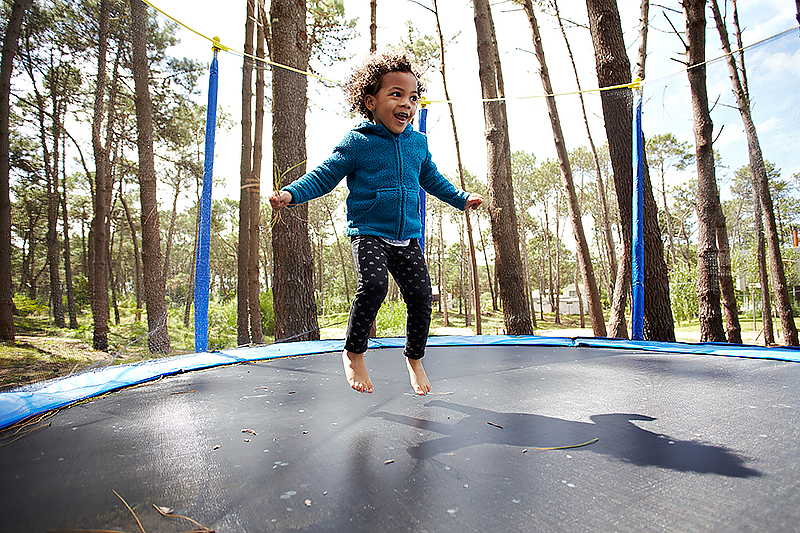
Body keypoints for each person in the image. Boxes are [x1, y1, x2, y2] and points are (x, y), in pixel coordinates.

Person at [270, 49, 483, 395]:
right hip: (369, 231)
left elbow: (432, 179)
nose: (407, 104)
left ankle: (414, 358)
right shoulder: (358, 142)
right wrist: (291, 194)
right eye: (396, 94)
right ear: (370, 101)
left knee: (420, 297)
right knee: (373, 286)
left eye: (413, 97)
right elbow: (325, 175)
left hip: (407, 235)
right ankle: (354, 352)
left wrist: (460, 198)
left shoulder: (418, 144)